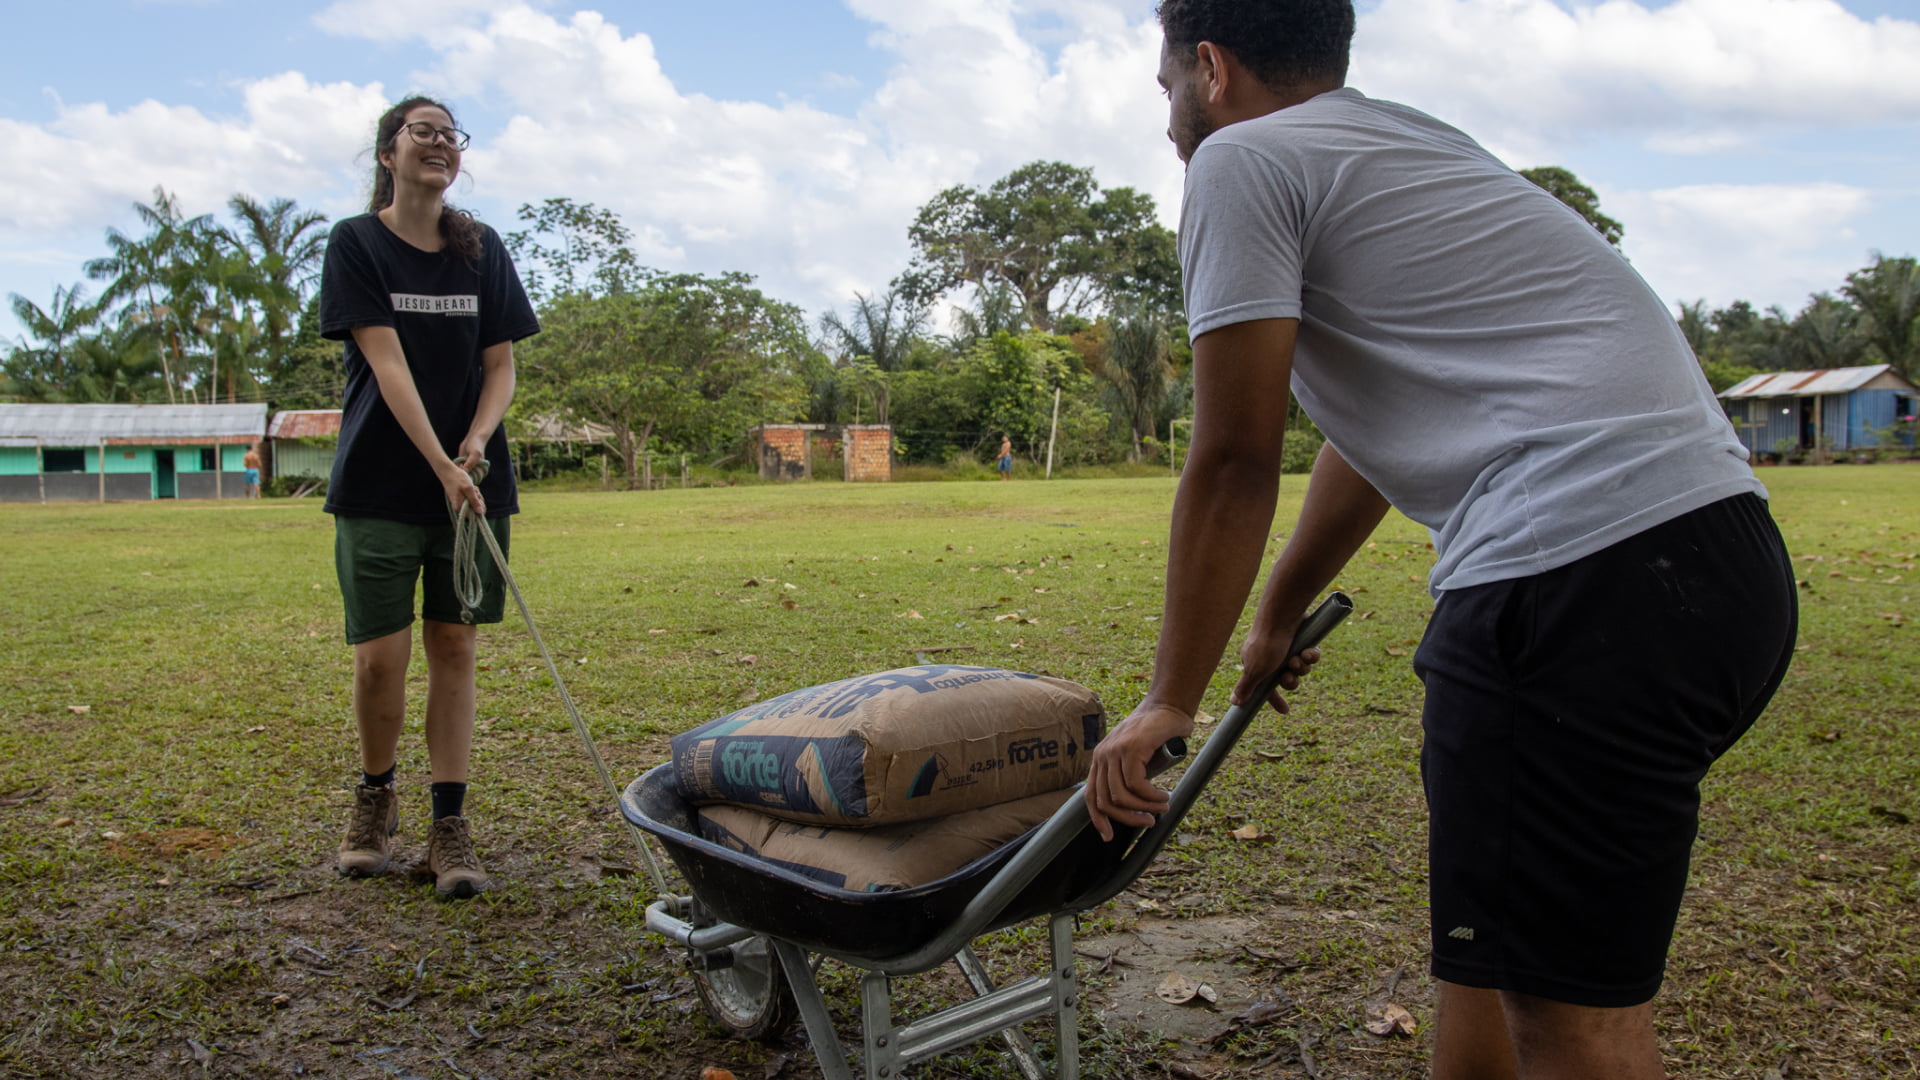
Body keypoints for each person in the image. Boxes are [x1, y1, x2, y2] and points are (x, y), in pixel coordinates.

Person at [1085, 4, 1797, 1078]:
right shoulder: (1414, 144)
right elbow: (1374, 437)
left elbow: (1235, 456)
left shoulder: (1239, 163)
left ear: (1212, 69)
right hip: (1722, 566)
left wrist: (1167, 699)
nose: (1168, 114)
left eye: (1165, 84)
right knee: (1493, 954)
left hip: (1573, 585)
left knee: (1571, 1023)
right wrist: (1275, 614)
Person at [320, 96, 540, 900]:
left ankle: (449, 824)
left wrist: (476, 443)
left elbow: (502, 366)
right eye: (424, 131)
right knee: (382, 659)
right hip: (381, 483)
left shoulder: (481, 250)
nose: (440, 143)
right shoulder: (357, 244)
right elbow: (387, 365)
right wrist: (439, 466)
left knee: (456, 648)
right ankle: (375, 798)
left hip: (473, 487)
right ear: (389, 152)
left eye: (452, 135)